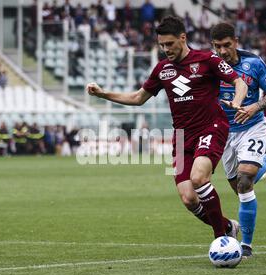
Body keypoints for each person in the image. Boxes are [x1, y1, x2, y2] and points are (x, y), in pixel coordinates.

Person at [87, 16, 248, 239]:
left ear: (183, 38)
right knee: (189, 199)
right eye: (162, 45)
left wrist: (238, 102)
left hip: (211, 127)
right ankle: (228, 227)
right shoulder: (163, 69)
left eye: (170, 44)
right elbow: (137, 97)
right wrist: (104, 94)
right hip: (182, 137)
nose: (165, 49)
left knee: (199, 178)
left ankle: (221, 239)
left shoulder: (207, 59)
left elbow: (239, 82)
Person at [211, 22, 266, 257]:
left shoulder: (254, 63)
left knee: (245, 181)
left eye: (227, 45)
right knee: (238, 187)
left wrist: (254, 107)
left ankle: (246, 245)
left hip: (252, 126)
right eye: (218, 46)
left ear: (236, 41)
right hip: (223, 132)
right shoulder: (210, 65)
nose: (223, 51)